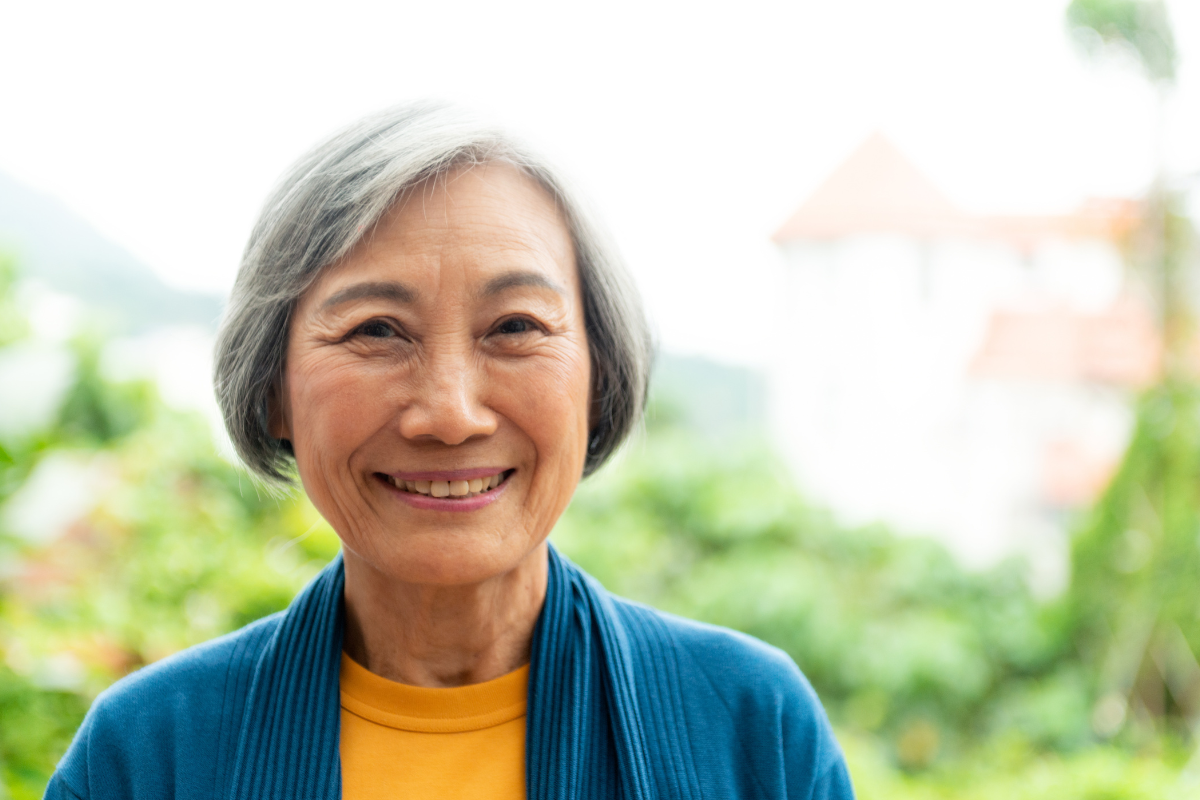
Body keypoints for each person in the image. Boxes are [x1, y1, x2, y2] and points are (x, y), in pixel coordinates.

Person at [44, 102, 854, 800]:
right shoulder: (150, 754)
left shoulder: (749, 728)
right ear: (271, 389)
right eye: (375, 332)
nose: (451, 414)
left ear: (597, 375)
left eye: (515, 328)